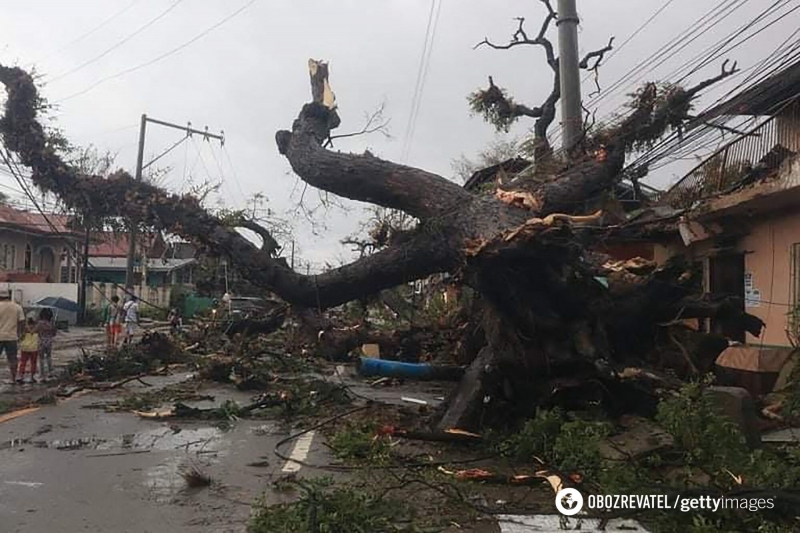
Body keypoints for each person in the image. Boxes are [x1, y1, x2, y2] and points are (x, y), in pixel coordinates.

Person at [0, 290, 25, 384]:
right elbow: (22, 322)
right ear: (9, 296)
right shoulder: (17, 307)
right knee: (12, 359)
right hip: (12, 337)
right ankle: (13, 378)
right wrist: (21, 334)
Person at [36, 308, 57, 382]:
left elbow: (36, 331)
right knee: (49, 357)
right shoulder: (51, 324)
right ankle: (50, 372)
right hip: (49, 342)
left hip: (41, 342)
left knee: (41, 358)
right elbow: (54, 334)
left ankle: (42, 374)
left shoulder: (39, 323)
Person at [17, 318, 39, 384]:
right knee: (33, 363)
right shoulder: (37, 330)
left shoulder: (25, 330)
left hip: (25, 348)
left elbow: (20, 338)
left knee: (23, 362)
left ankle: (21, 377)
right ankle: (32, 377)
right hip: (34, 348)